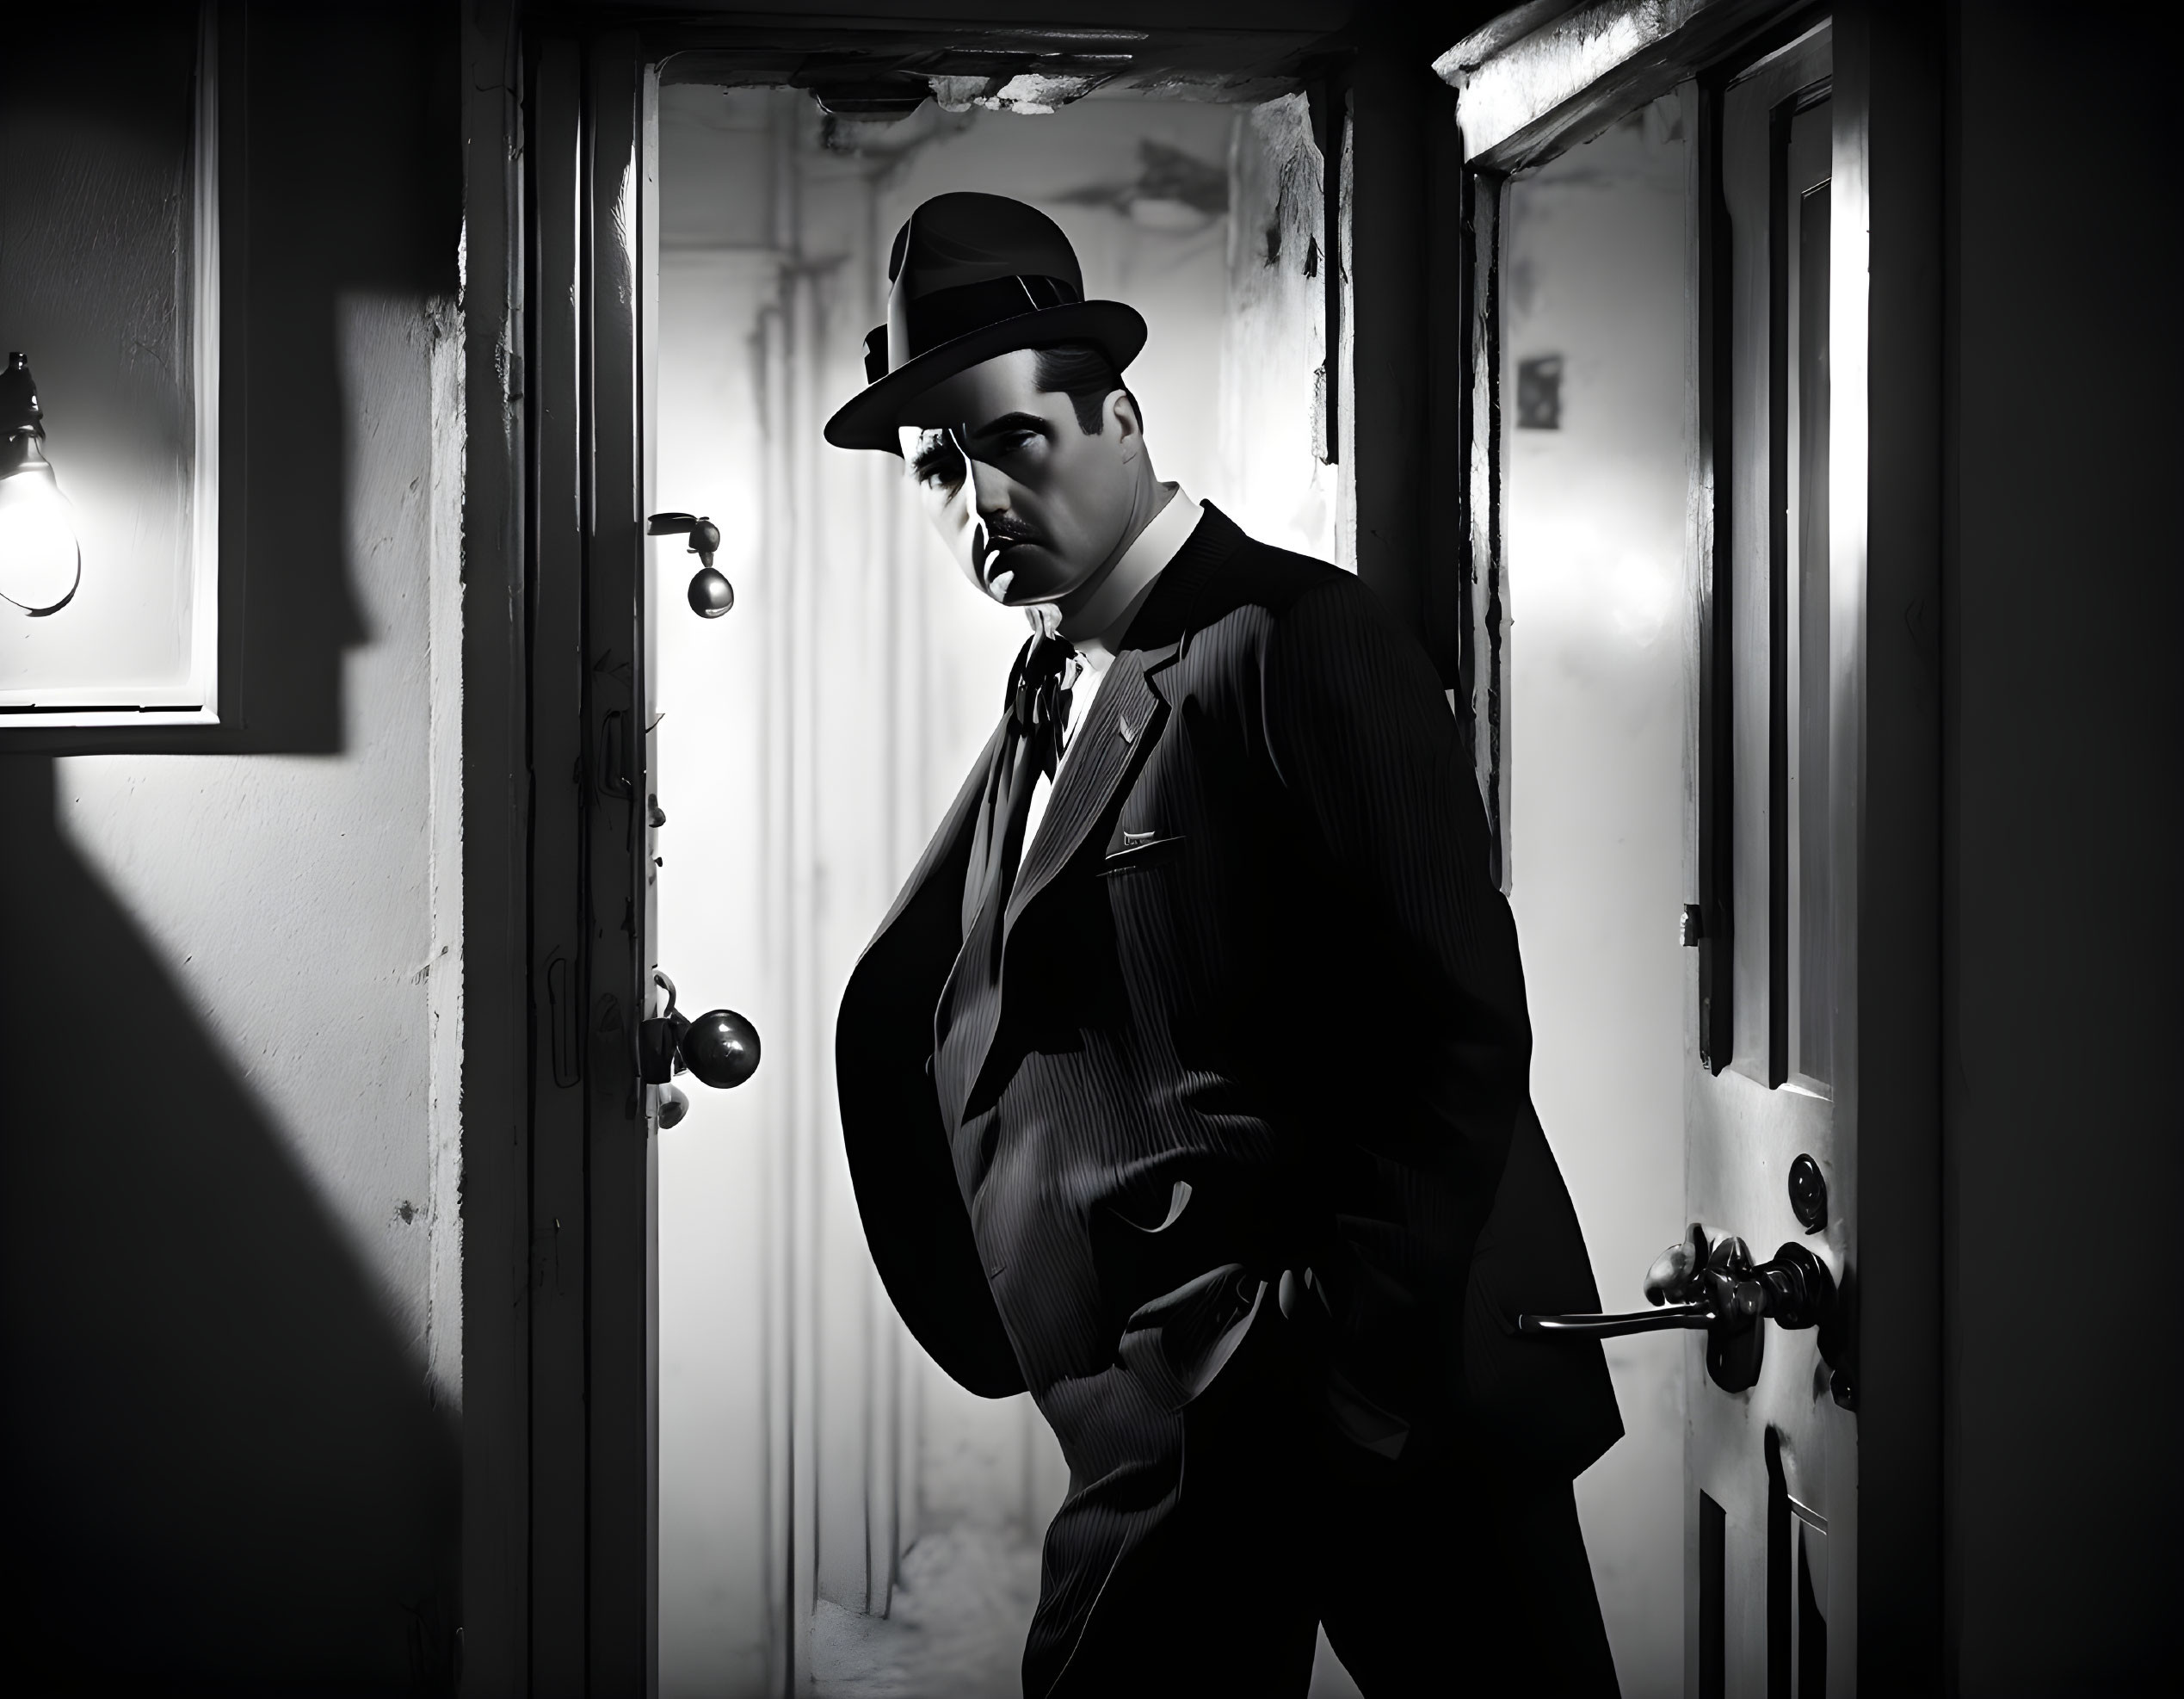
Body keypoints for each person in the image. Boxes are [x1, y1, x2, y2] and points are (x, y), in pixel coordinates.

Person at [829, 191, 1623, 1697]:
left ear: (1117, 416)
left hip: (1347, 1395)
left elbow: (1456, 1027)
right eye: (937, 469)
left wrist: (1325, 1380)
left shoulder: (1288, 639)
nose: (976, 498)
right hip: (1165, 1406)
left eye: (1012, 441)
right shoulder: (1059, 670)